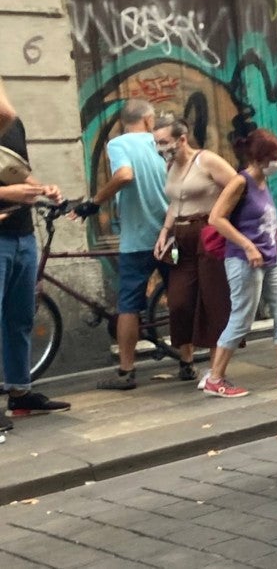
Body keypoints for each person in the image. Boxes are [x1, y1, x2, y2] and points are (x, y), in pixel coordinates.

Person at [202, 129, 277, 398]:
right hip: (244, 261)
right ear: (258, 158)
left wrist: (276, 232)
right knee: (242, 318)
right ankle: (215, 377)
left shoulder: (264, 183)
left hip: (269, 257)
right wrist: (247, 245)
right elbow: (216, 218)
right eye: (273, 156)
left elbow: (263, 214)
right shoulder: (239, 183)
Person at [73, 99, 170, 391]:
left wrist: (94, 202)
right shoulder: (163, 142)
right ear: (149, 120)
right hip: (169, 236)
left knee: (128, 305)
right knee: (179, 297)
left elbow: (125, 175)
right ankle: (188, 362)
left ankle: (126, 372)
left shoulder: (118, 145)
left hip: (137, 239)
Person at [152, 116, 235, 384]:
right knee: (179, 302)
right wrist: (164, 232)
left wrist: (220, 218)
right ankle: (187, 361)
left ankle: (216, 370)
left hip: (207, 232)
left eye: (164, 142)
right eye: (156, 143)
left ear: (182, 139)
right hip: (181, 234)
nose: (160, 147)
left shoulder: (206, 160)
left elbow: (237, 186)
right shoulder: (170, 166)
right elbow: (175, 203)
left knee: (213, 300)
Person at [0, 112, 69, 430]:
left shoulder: (14, 125)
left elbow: (15, 173)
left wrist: (41, 188)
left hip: (23, 235)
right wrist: (5, 194)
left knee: (21, 317)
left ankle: (19, 392)